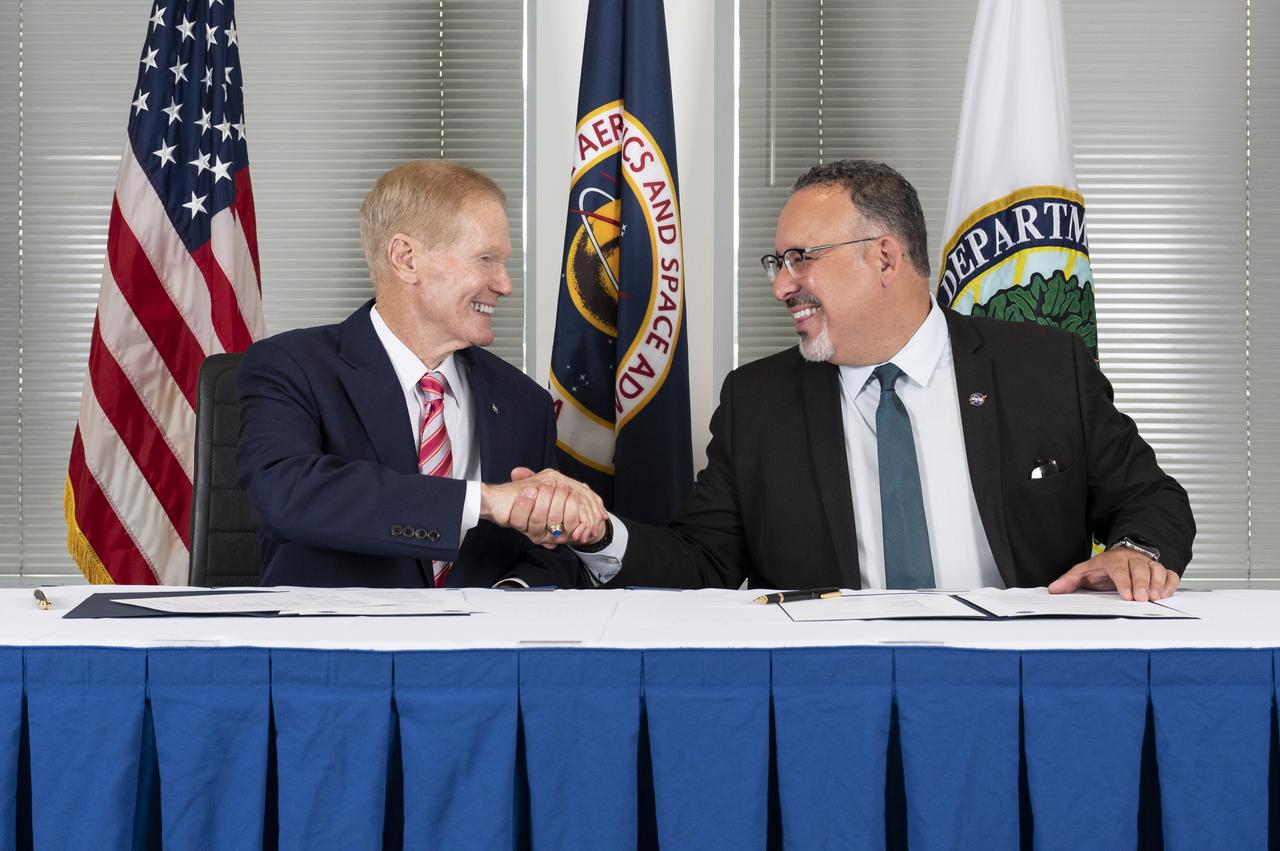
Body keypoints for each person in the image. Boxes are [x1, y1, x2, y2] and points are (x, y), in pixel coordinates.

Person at [517, 159, 1193, 601]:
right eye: (776, 262)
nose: (783, 285)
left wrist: (1135, 552)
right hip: (837, 706)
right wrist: (602, 532)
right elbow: (702, 565)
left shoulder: (1043, 367)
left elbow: (1154, 503)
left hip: (1019, 689)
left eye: (800, 259)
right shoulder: (758, 402)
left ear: (885, 258)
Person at [237, 160, 602, 588]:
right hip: (340, 646)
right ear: (406, 259)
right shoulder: (290, 365)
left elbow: (546, 552)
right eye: (486, 259)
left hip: (483, 649)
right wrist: (482, 500)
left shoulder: (524, 401)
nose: (504, 284)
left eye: (503, 262)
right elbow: (286, 492)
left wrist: (513, 594)